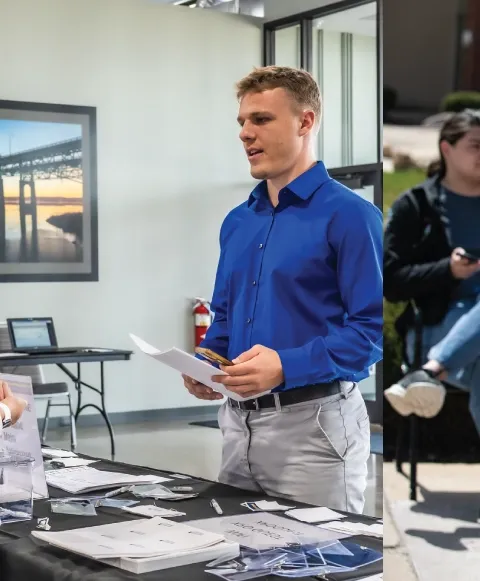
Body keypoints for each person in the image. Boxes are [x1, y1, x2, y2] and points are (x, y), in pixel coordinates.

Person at [182, 66, 383, 514]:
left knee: (316, 562)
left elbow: (373, 332)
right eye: (242, 122)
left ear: (305, 122)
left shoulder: (351, 216)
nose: (245, 134)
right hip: (237, 423)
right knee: (239, 553)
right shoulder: (238, 221)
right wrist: (207, 363)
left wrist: (285, 366)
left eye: (261, 120)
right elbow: (228, 317)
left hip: (314, 428)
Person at [384, 109, 480, 435]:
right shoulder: (417, 206)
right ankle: (433, 364)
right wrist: (448, 270)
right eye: (476, 145)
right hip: (435, 329)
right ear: (447, 149)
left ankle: (428, 373)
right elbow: (391, 281)